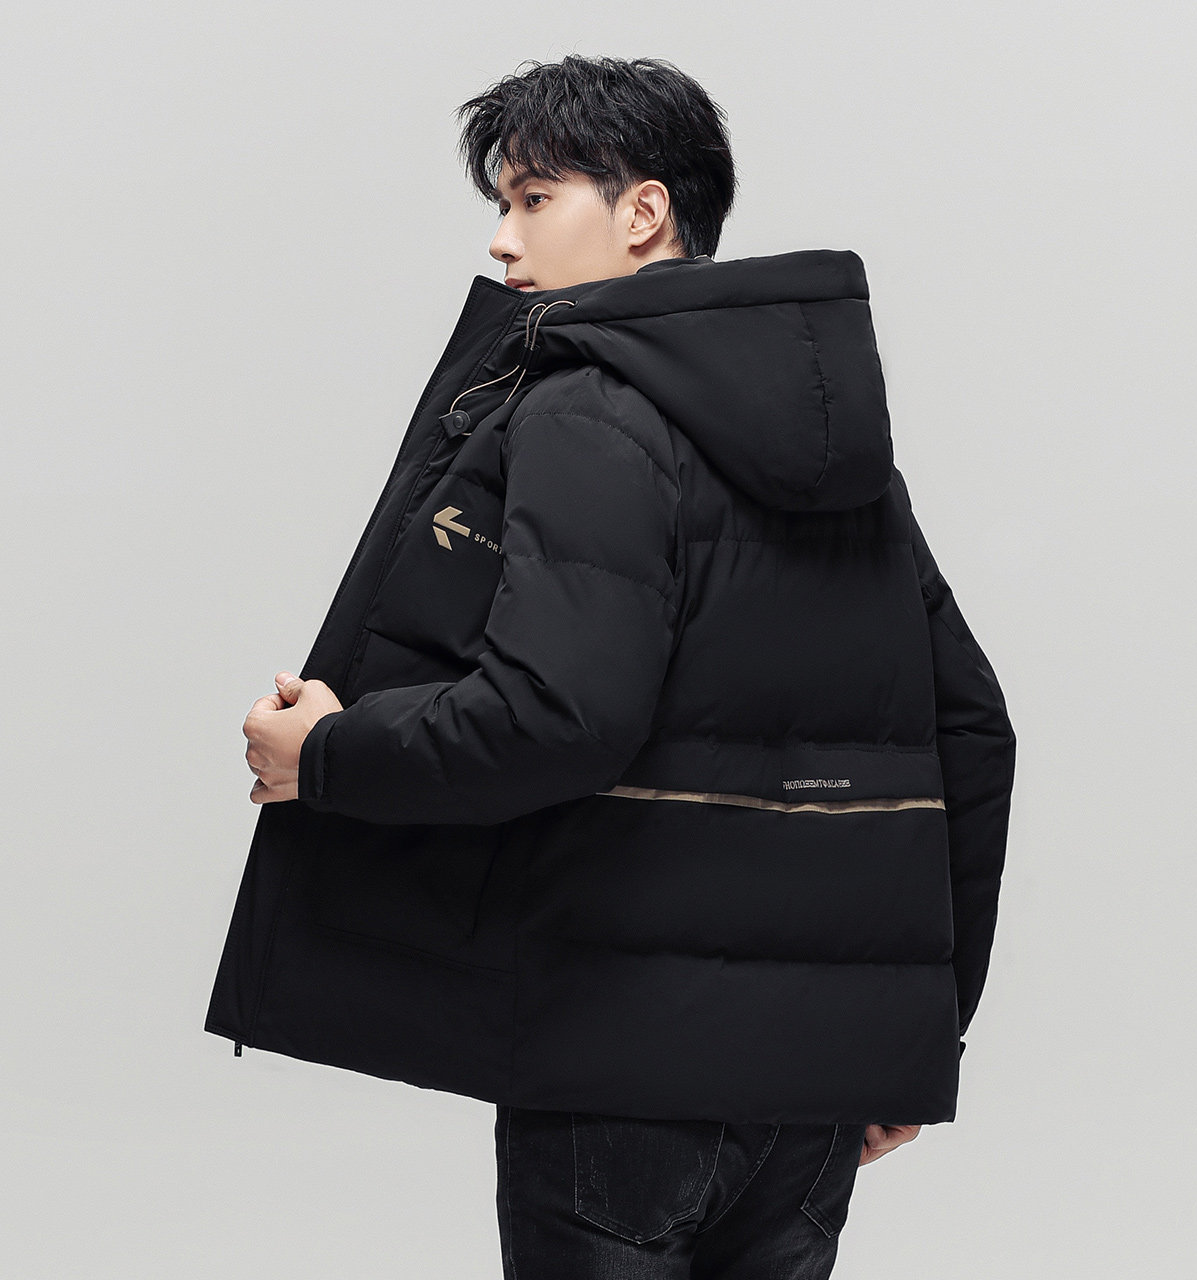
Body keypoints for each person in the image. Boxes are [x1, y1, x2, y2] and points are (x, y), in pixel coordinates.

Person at [222, 54, 1016, 1280]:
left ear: (642, 211)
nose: (502, 240)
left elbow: (557, 714)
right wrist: (911, 1039)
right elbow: (970, 729)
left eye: (533, 199)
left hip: (619, 1074)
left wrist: (323, 755)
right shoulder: (843, 450)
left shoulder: (586, 405)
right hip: (812, 1096)